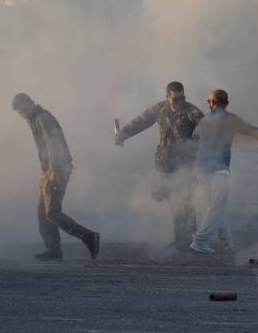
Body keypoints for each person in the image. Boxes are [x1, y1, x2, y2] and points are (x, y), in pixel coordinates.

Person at [190, 89, 258, 254]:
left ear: (212, 103)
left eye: (209, 102)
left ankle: (228, 241)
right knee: (216, 207)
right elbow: (253, 131)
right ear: (226, 103)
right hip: (218, 169)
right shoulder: (230, 119)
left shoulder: (204, 120)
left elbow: (194, 137)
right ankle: (199, 241)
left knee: (213, 208)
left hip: (201, 168)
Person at [114, 81, 204, 248]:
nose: (180, 102)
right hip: (164, 161)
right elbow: (141, 121)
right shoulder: (160, 109)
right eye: (176, 99)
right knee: (161, 194)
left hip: (185, 163)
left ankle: (187, 239)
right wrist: (123, 134)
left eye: (182, 98)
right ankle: (184, 236)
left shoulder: (191, 111)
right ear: (167, 97)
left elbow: (207, 129)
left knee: (183, 198)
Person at [12, 93, 99, 261]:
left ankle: (88, 237)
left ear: (32, 103)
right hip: (49, 171)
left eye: (25, 109)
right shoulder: (34, 119)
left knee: (52, 213)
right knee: (42, 211)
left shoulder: (42, 118)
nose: (24, 113)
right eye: (20, 112)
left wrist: (53, 172)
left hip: (57, 170)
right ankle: (53, 249)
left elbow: (54, 145)